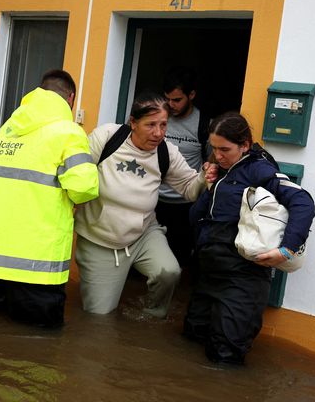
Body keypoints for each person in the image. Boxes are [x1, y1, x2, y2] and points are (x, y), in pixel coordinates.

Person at [183, 112, 315, 364]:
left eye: (225, 149)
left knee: (225, 357)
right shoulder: (222, 171)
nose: (218, 155)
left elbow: (302, 201)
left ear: (244, 145)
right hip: (209, 274)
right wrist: (210, 186)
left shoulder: (259, 170)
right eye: (214, 148)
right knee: (191, 339)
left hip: (243, 279)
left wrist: (287, 250)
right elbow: (196, 217)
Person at [73, 91, 216, 319]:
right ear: (133, 123)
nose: (158, 133)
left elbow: (190, 188)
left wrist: (204, 176)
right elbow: (75, 174)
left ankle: (150, 315)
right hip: (99, 239)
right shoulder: (107, 138)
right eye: (150, 125)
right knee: (98, 318)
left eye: (163, 125)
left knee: (168, 272)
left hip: (143, 234)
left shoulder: (165, 152)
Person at [0, 69, 99, 327]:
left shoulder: (8, 129)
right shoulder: (69, 132)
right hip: (37, 272)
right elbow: (85, 188)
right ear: (71, 98)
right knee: (37, 356)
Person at [156, 66, 211, 269]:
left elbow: (211, 161)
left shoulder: (204, 124)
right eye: (167, 99)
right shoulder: (158, 118)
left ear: (192, 95)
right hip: (153, 199)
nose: (171, 105)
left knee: (177, 260)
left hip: (185, 204)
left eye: (177, 100)